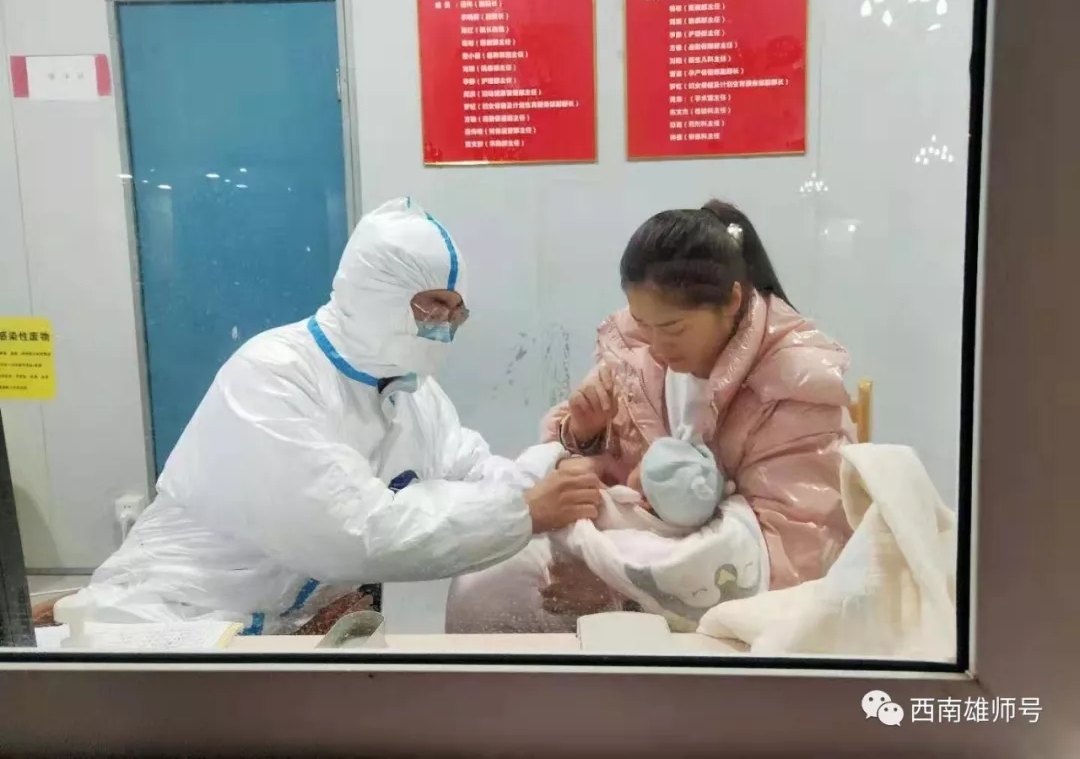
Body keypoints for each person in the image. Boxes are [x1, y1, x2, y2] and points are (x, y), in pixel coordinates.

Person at [52, 197, 603, 635]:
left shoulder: (415, 394)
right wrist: (523, 513)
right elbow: (354, 531)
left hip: (280, 632)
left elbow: (475, 472)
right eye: (433, 306)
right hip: (172, 622)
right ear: (375, 294)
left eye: (456, 311)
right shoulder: (273, 375)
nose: (445, 327)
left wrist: (559, 463)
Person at [446, 200, 853, 633]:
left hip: (726, 600)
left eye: (673, 329)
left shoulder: (795, 386)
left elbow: (795, 558)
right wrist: (585, 433)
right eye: (643, 323)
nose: (656, 346)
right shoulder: (637, 349)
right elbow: (597, 454)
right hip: (641, 550)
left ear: (733, 300)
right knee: (484, 585)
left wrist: (623, 595)